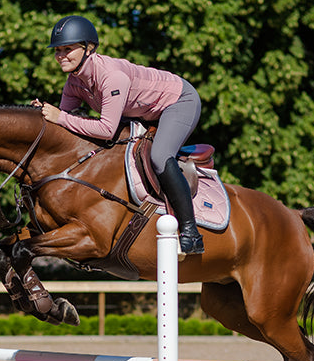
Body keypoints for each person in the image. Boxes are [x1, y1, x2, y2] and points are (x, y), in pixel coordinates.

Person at [32, 15, 205, 255]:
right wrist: (39, 115)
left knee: (159, 156)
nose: (61, 55)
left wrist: (59, 116)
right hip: (142, 112)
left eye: (68, 49)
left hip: (178, 102)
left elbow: (104, 129)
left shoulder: (111, 76)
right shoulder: (73, 82)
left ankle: (190, 231)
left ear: (89, 48)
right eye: (58, 50)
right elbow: (64, 125)